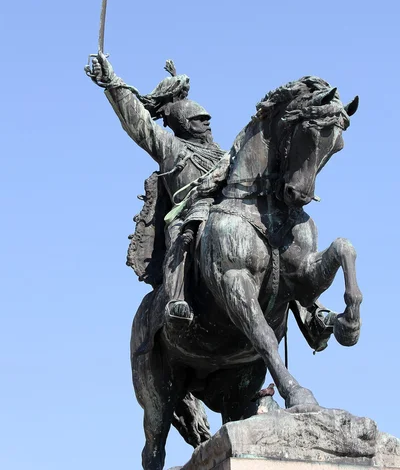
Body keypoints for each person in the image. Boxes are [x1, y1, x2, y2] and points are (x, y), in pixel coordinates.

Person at [85, 53, 337, 353]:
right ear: (182, 123)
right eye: (198, 120)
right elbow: (138, 123)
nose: (206, 125)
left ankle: (313, 312)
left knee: (283, 244)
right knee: (186, 233)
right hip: (191, 214)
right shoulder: (171, 148)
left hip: (230, 215)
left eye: (207, 120)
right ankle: (177, 299)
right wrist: (112, 83)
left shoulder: (223, 154)